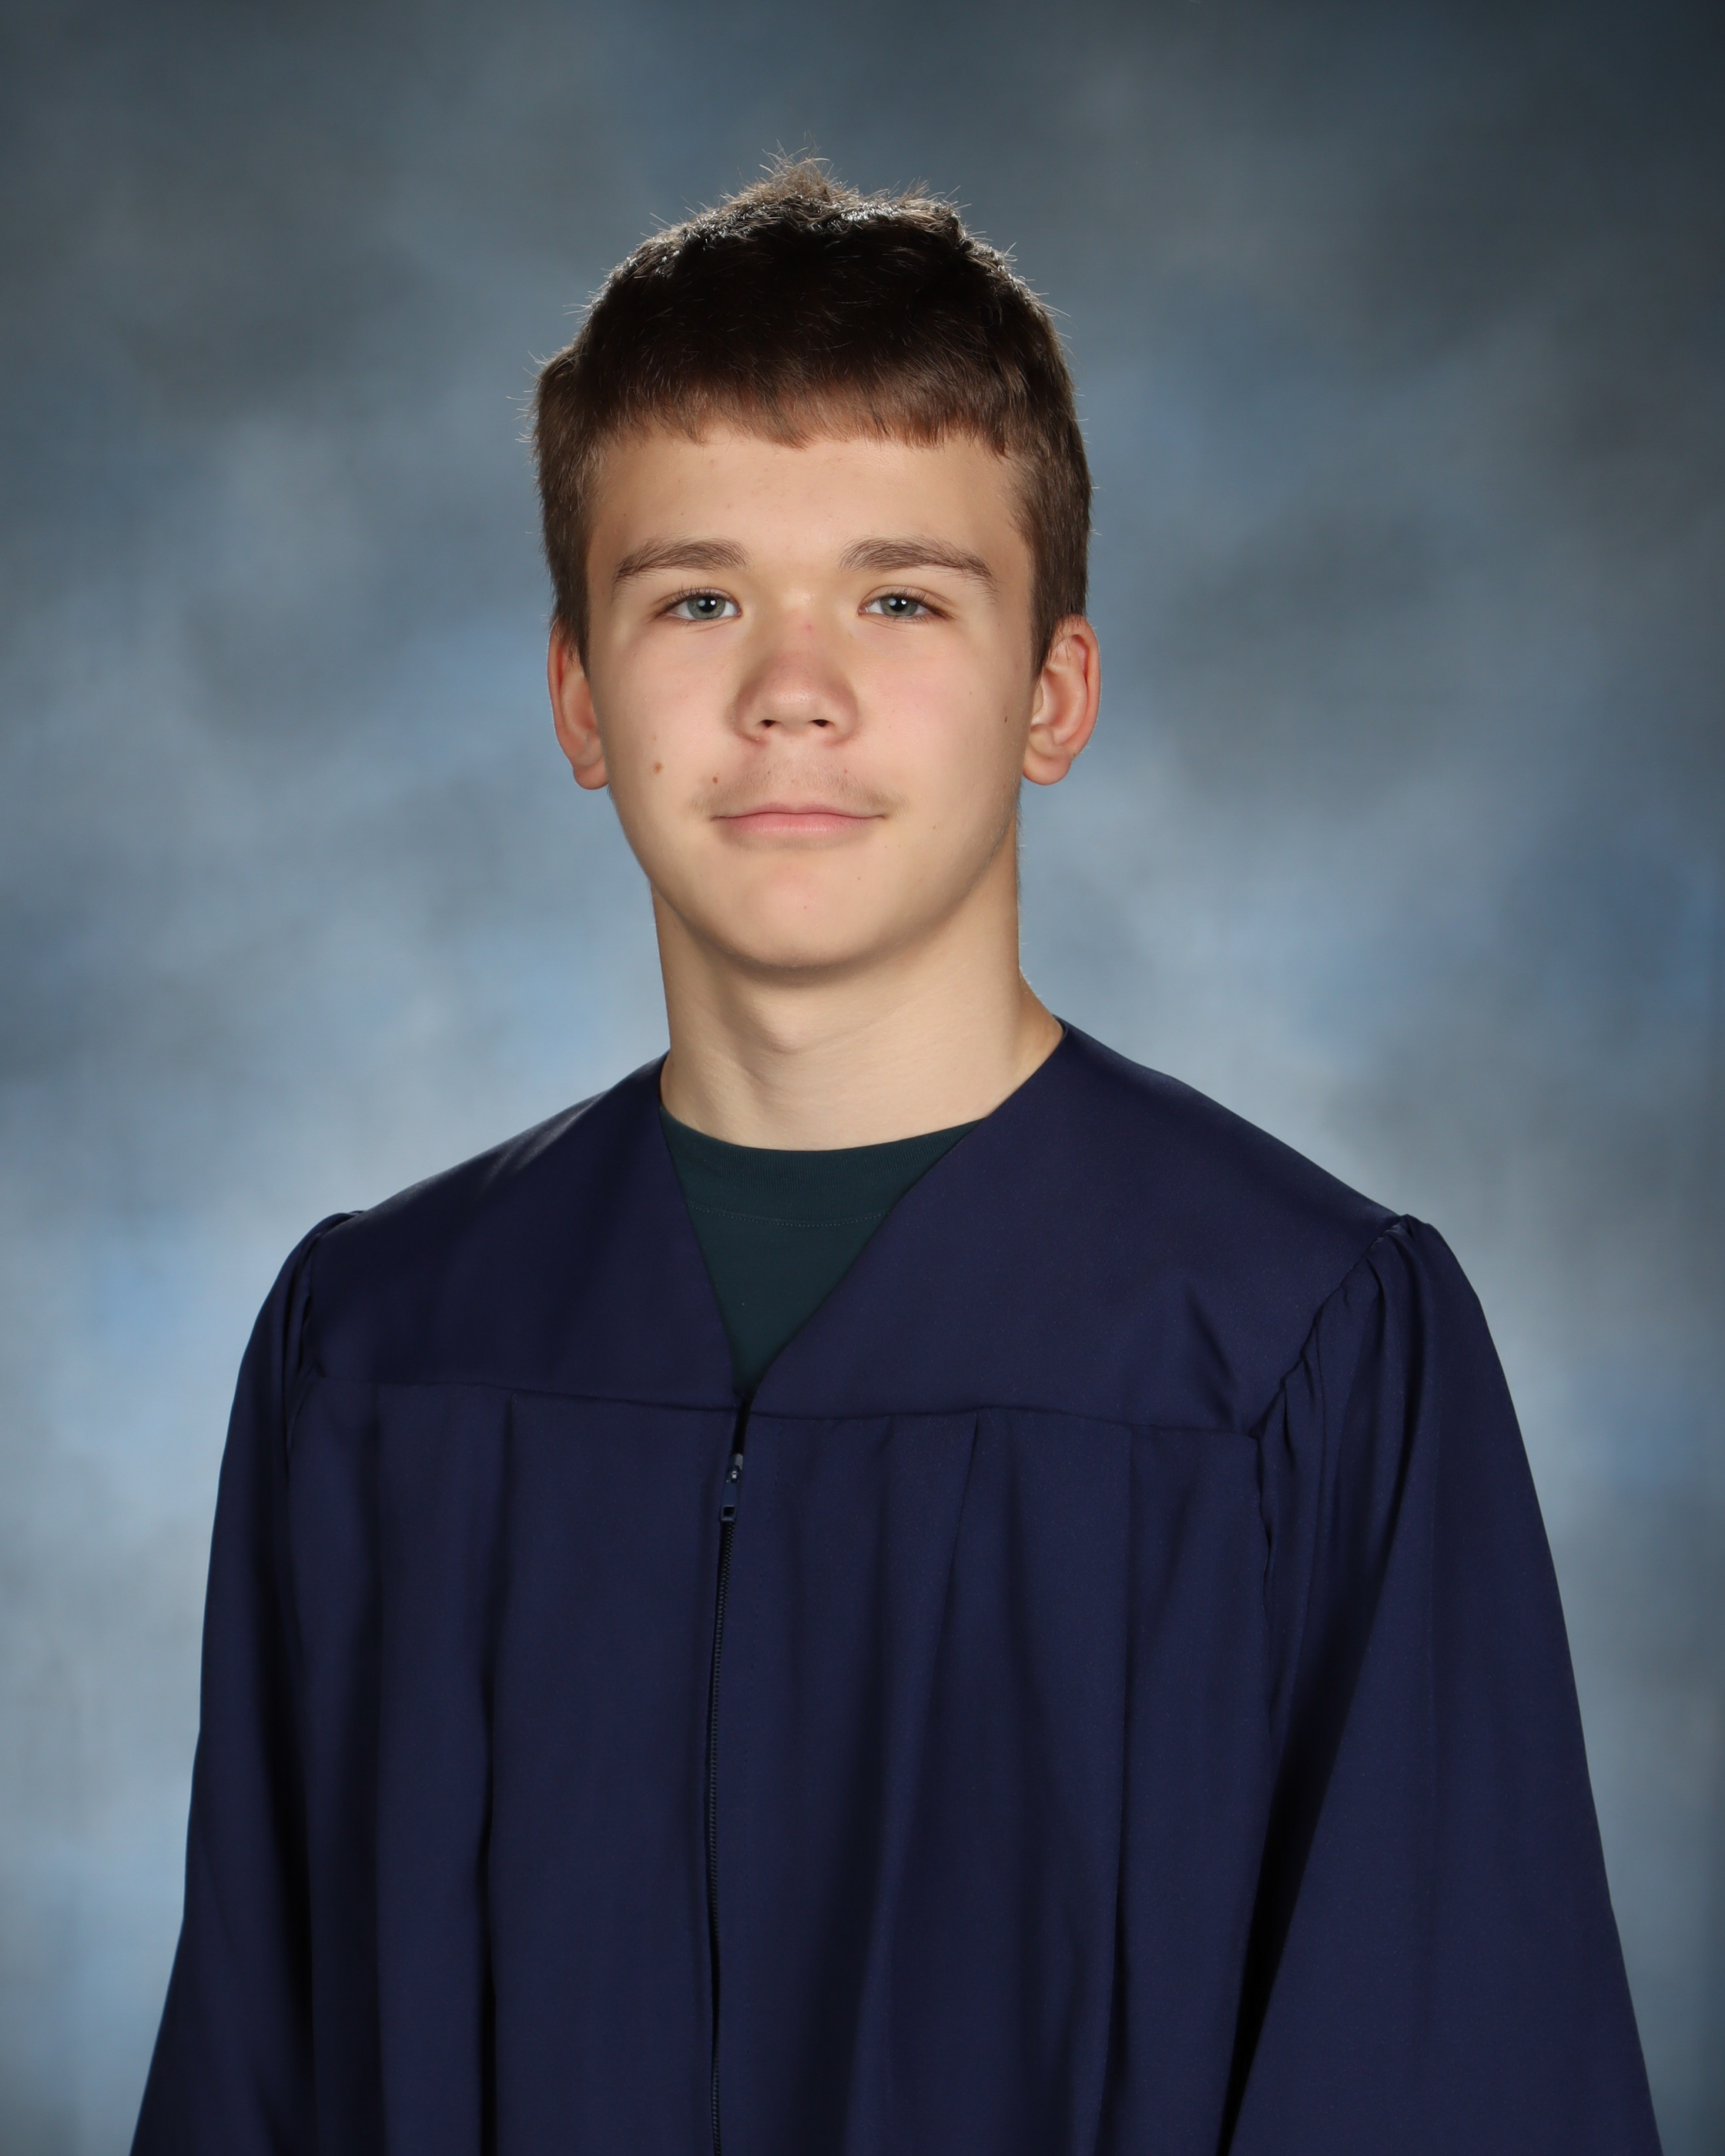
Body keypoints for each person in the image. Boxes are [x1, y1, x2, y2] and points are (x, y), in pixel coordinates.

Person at [132, 162, 1661, 2156]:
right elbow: (253, 2080)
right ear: (578, 695)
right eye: (697, 599)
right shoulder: (380, 1355)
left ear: (1054, 695)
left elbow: (1451, 2082)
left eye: (903, 599)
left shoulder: (1298, 1355)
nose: (794, 692)